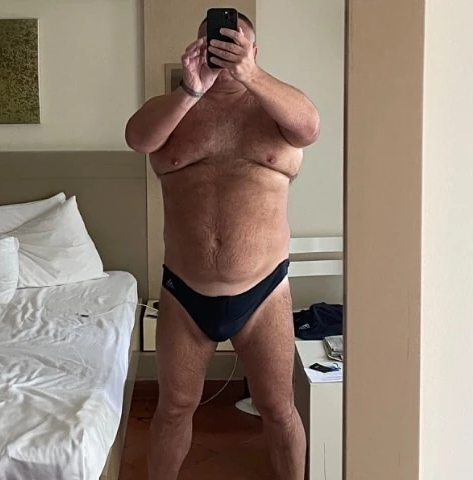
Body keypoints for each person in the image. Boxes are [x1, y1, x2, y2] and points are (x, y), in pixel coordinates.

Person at [125, 11, 320, 480]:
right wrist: (191, 89)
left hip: (264, 292)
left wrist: (250, 75)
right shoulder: (172, 110)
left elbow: (310, 127)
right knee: (174, 408)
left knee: (278, 408)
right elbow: (137, 139)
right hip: (184, 293)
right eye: (217, 44)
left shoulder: (278, 111)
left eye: (238, 45)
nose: (227, 52)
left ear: (254, 52)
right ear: (198, 49)